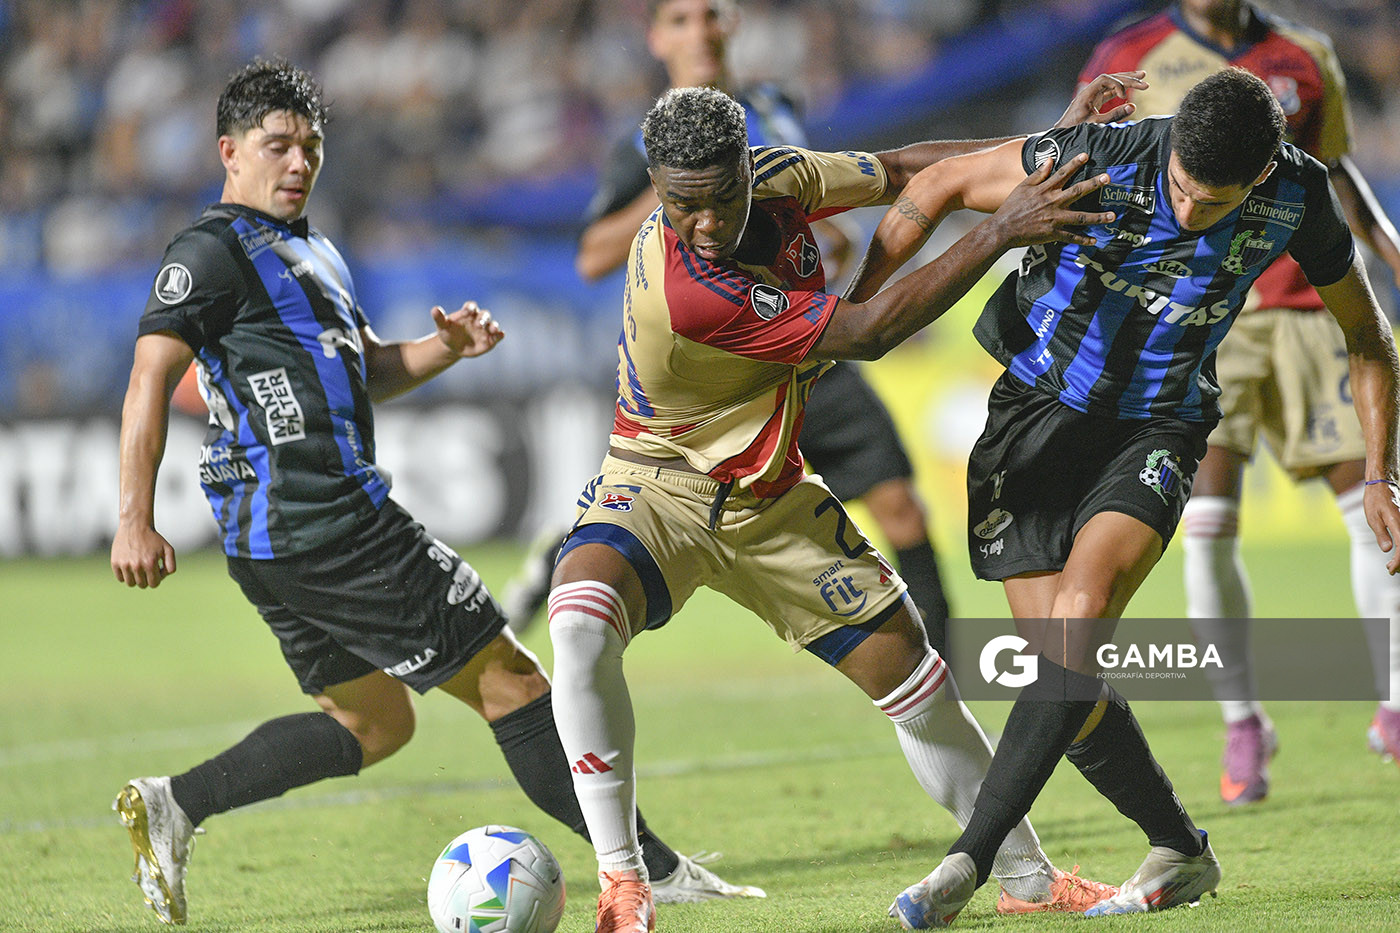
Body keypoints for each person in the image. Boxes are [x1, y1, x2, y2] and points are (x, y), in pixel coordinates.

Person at [108, 59, 758, 927]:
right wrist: (133, 519)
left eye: (311, 145)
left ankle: (174, 802)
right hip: (329, 521)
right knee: (515, 684)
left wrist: (441, 348)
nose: (298, 162)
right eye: (277, 146)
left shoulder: (314, 251)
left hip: (280, 546)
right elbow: (150, 376)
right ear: (229, 152)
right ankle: (651, 865)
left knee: (373, 723)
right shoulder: (210, 252)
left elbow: (365, 370)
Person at [545, 78, 1149, 932]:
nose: (706, 223)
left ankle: (1027, 875)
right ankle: (622, 880)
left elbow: (906, 168)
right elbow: (867, 332)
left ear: (748, 170)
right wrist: (1001, 228)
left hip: (772, 494)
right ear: (656, 185)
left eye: (722, 197)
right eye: (683, 206)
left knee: (915, 677)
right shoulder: (687, 290)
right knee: (577, 619)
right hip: (657, 480)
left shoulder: (786, 175)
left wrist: (1037, 150)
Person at [844, 67, 1400, 923]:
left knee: (1078, 619)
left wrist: (1378, 472)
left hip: (1158, 427)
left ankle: (964, 862)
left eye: (1213, 204)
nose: (1187, 212)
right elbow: (945, 181)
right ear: (1171, 149)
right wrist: (857, 307)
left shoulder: (1298, 193)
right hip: (1031, 416)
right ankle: (1181, 847)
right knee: (1063, 676)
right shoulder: (1099, 157)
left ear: (1259, 176)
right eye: (1180, 187)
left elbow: (1367, 333)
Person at [504, 0, 952, 651]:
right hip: (720, 363)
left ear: (732, 22)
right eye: (681, 19)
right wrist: (685, 182)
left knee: (902, 509)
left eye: (711, 13)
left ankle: (947, 678)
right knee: (648, 502)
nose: (701, 30)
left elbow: (806, 194)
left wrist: (835, 240)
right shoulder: (640, 145)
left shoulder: (774, 105)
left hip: (806, 343)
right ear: (656, 37)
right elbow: (593, 254)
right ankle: (551, 569)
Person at [1080, 0, 1400, 805]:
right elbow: (1083, 168)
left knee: (1375, 507)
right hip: (1203, 319)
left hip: (1310, 306)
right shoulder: (1130, 53)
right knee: (1209, 528)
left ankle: (1394, 703)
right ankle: (1243, 720)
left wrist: (1389, 248)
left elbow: (1330, 172)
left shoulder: (1306, 53)